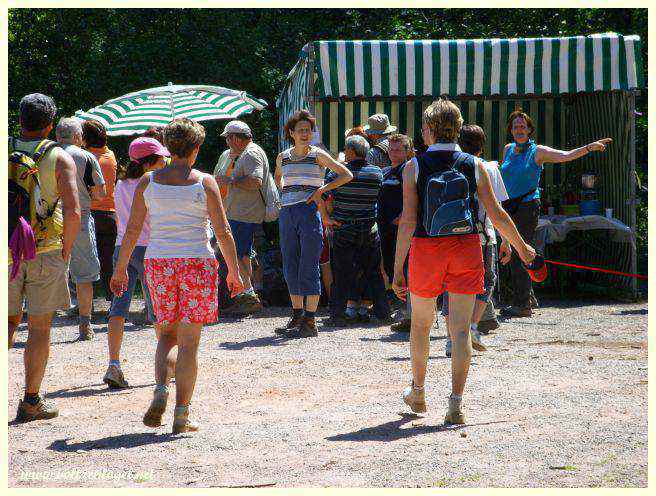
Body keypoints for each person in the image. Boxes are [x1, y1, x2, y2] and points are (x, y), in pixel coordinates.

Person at [392, 98, 536, 424]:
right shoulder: (475, 165)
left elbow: (409, 221)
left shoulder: (413, 167)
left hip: (428, 249)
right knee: (460, 330)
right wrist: (522, 246)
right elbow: (497, 215)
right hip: (467, 246)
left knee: (421, 325)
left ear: (428, 130)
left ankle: (418, 392)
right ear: (458, 129)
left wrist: (398, 267)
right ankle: (455, 403)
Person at [110, 118, 243, 434]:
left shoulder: (148, 182)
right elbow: (222, 231)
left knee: (166, 336)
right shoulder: (204, 182)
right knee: (189, 344)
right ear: (196, 149)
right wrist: (235, 272)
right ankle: (181, 415)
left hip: (159, 263)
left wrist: (119, 269)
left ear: (169, 148)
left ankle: (159, 388)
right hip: (196, 263)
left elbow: (132, 231)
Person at [8, 93, 81, 421]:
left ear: (19, 120)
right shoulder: (59, 157)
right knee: (39, 327)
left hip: (6, 252)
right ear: (50, 123)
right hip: (45, 249)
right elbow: (74, 210)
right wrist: (65, 249)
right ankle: (31, 400)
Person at [499, 110, 612, 317]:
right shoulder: (508, 149)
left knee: (520, 251)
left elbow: (566, 156)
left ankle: (522, 304)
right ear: (511, 130)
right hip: (509, 206)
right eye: (515, 126)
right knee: (514, 250)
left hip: (527, 205)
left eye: (523, 126)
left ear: (530, 129)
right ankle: (527, 296)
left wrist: (589, 147)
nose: (519, 130)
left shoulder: (538, 151)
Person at [273, 110, 353, 338]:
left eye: (308, 130)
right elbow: (277, 177)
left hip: (309, 212)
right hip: (287, 212)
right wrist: (286, 194)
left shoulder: (318, 155)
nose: (305, 134)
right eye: (301, 130)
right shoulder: (283, 156)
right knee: (290, 264)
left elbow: (346, 174)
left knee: (309, 263)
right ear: (291, 133)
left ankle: (310, 320)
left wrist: (322, 189)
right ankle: (298, 315)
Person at [103, 137, 169, 389]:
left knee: (118, 308)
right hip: (150, 249)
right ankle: (165, 366)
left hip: (123, 249)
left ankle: (114, 364)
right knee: (157, 310)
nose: (165, 161)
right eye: (161, 157)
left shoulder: (120, 183)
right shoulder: (153, 184)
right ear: (149, 162)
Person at [443, 125, 512, 357]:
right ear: (483, 144)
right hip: (484, 236)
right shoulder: (490, 168)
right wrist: (507, 240)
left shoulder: (450, 165)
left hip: (453, 236)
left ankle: (452, 339)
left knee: (451, 286)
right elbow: (498, 209)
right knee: (487, 282)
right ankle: (471, 326)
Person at [322, 135, 390, 325]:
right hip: (369, 229)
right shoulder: (377, 173)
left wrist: (328, 218)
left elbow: (324, 195)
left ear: (350, 152)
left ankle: (337, 315)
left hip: (344, 228)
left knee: (342, 274)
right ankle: (383, 313)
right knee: (373, 273)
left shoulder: (337, 173)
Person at [56, 117, 107, 341]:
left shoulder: (47, 154)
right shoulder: (86, 156)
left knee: (48, 270)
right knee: (84, 274)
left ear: (58, 136)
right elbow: (101, 193)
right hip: (81, 217)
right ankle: (85, 325)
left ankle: (42, 323)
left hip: (51, 219)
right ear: (78, 137)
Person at [215, 120, 267, 315]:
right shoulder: (229, 154)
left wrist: (231, 181)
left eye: (227, 138)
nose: (226, 141)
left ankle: (249, 295)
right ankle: (245, 295)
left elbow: (255, 181)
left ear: (235, 138)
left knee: (236, 252)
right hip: (232, 212)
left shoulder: (251, 153)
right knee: (240, 253)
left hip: (244, 213)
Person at [378, 133, 415, 332]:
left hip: (402, 229)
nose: (394, 152)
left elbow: (414, 197)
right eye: (391, 149)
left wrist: (403, 217)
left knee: (407, 269)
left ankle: (410, 314)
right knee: (393, 268)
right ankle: (406, 312)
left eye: (399, 149)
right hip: (386, 230)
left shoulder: (408, 170)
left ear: (408, 151)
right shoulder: (386, 171)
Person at [86, 121, 118, 304]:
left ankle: (85, 304)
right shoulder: (110, 155)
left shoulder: (87, 158)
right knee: (108, 263)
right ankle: (114, 301)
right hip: (110, 213)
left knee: (88, 260)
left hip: (92, 213)